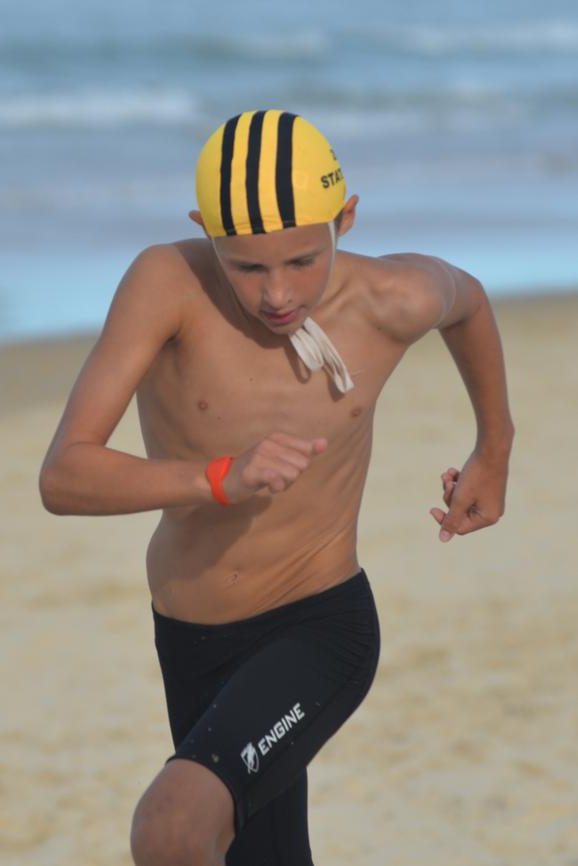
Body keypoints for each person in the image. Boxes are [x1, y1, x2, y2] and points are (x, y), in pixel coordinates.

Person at [39, 109, 514, 866]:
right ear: (205, 231)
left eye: (300, 261)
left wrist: (495, 447)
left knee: (172, 827)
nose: (277, 294)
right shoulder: (168, 283)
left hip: (318, 626)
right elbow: (64, 475)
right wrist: (220, 477)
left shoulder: (391, 299)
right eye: (248, 267)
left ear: (344, 219)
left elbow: (471, 301)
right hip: (189, 638)